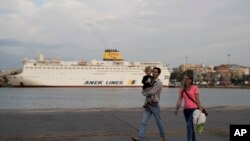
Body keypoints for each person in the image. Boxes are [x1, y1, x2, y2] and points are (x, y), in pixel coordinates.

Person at [131, 67, 165, 141]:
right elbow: (146, 87)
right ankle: (140, 137)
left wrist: (143, 93)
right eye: (153, 71)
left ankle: (162, 137)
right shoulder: (150, 80)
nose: (153, 73)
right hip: (148, 104)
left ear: (159, 74)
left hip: (154, 104)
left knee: (158, 121)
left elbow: (152, 92)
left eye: (155, 72)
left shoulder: (159, 83)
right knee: (144, 121)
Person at [174, 74, 203, 141]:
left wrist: (200, 109)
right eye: (184, 78)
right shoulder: (182, 89)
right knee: (191, 127)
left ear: (190, 80)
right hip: (186, 110)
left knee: (189, 126)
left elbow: (197, 99)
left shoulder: (194, 88)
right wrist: (176, 109)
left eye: (187, 78)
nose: (185, 80)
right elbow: (180, 100)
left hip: (194, 109)